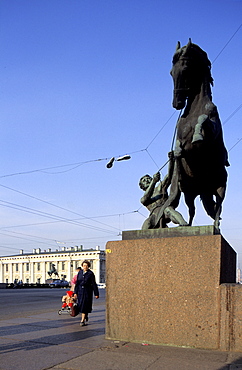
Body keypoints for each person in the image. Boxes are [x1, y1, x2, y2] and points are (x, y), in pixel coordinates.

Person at [139, 151, 188, 229]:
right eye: (144, 181)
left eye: (148, 178)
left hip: (165, 209)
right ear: (142, 187)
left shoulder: (160, 187)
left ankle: (183, 224)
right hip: (154, 216)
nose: (147, 180)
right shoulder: (144, 198)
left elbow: (169, 175)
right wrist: (153, 182)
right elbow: (145, 199)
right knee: (147, 224)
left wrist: (171, 160)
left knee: (169, 210)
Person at [74, 260, 99, 326]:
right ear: (82, 266)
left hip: (87, 291)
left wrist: (96, 294)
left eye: (87, 265)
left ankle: (82, 321)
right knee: (81, 305)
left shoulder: (90, 274)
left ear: (88, 266)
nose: (85, 267)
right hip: (80, 291)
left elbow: (93, 284)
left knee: (84, 306)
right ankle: (85, 315)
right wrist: (75, 292)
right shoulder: (80, 273)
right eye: (84, 265)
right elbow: (77, 283)